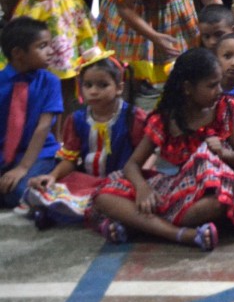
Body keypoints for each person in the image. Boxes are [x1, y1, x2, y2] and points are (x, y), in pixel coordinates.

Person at [91, 48, 234, 250]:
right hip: (175, 188)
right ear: (188, 88)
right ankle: (180, 234)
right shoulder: (165, 119)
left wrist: (223, 153)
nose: (219, 90)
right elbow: (132, 165)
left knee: (216, 195)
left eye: (219, 83)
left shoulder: (225, 109)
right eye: (212, 85)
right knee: (104, 196)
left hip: (215, 189)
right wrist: (143, 189)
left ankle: (140, 225)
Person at [24, 52, 146, 227]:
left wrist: (141, 182)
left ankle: (68, 215)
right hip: (87, 181)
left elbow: (146, 155)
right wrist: (52, 176)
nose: (93, 91)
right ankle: (100, 218)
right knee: (41, 189)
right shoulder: (76, 119)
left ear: (119, 87)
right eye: (88, 85)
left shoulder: (134, 117)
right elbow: (70, 160)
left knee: (125, 200)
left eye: (103, 85)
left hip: (122, 180)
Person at [0, 18, 61, 208]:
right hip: (3, 151)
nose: (51, 51)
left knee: (17, 191)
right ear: (18, 53)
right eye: (42, 46)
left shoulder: (50, 82)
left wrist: (23, 168)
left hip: (38, 152)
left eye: (50, 45)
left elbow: (43, 127)